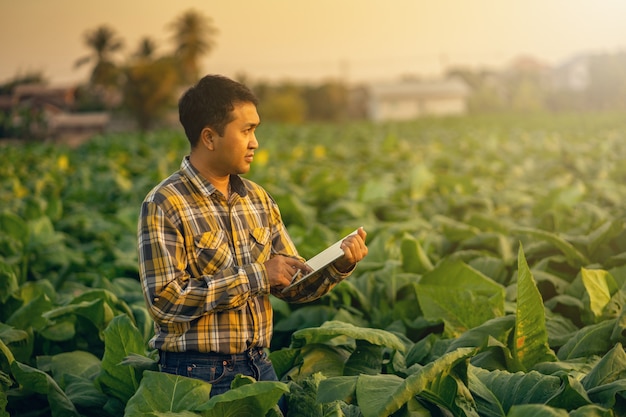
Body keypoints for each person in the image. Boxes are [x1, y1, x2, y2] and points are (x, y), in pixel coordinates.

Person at [137, 74, 368, 399]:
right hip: (195, 376)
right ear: (209, 137)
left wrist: (338, 264)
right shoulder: (165, 203)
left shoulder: (258, 199)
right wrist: (258, 275)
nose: (255, 141)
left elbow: (291, 285)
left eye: (255, 130)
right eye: (246, 130)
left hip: (260, 364)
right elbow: (165, 301)